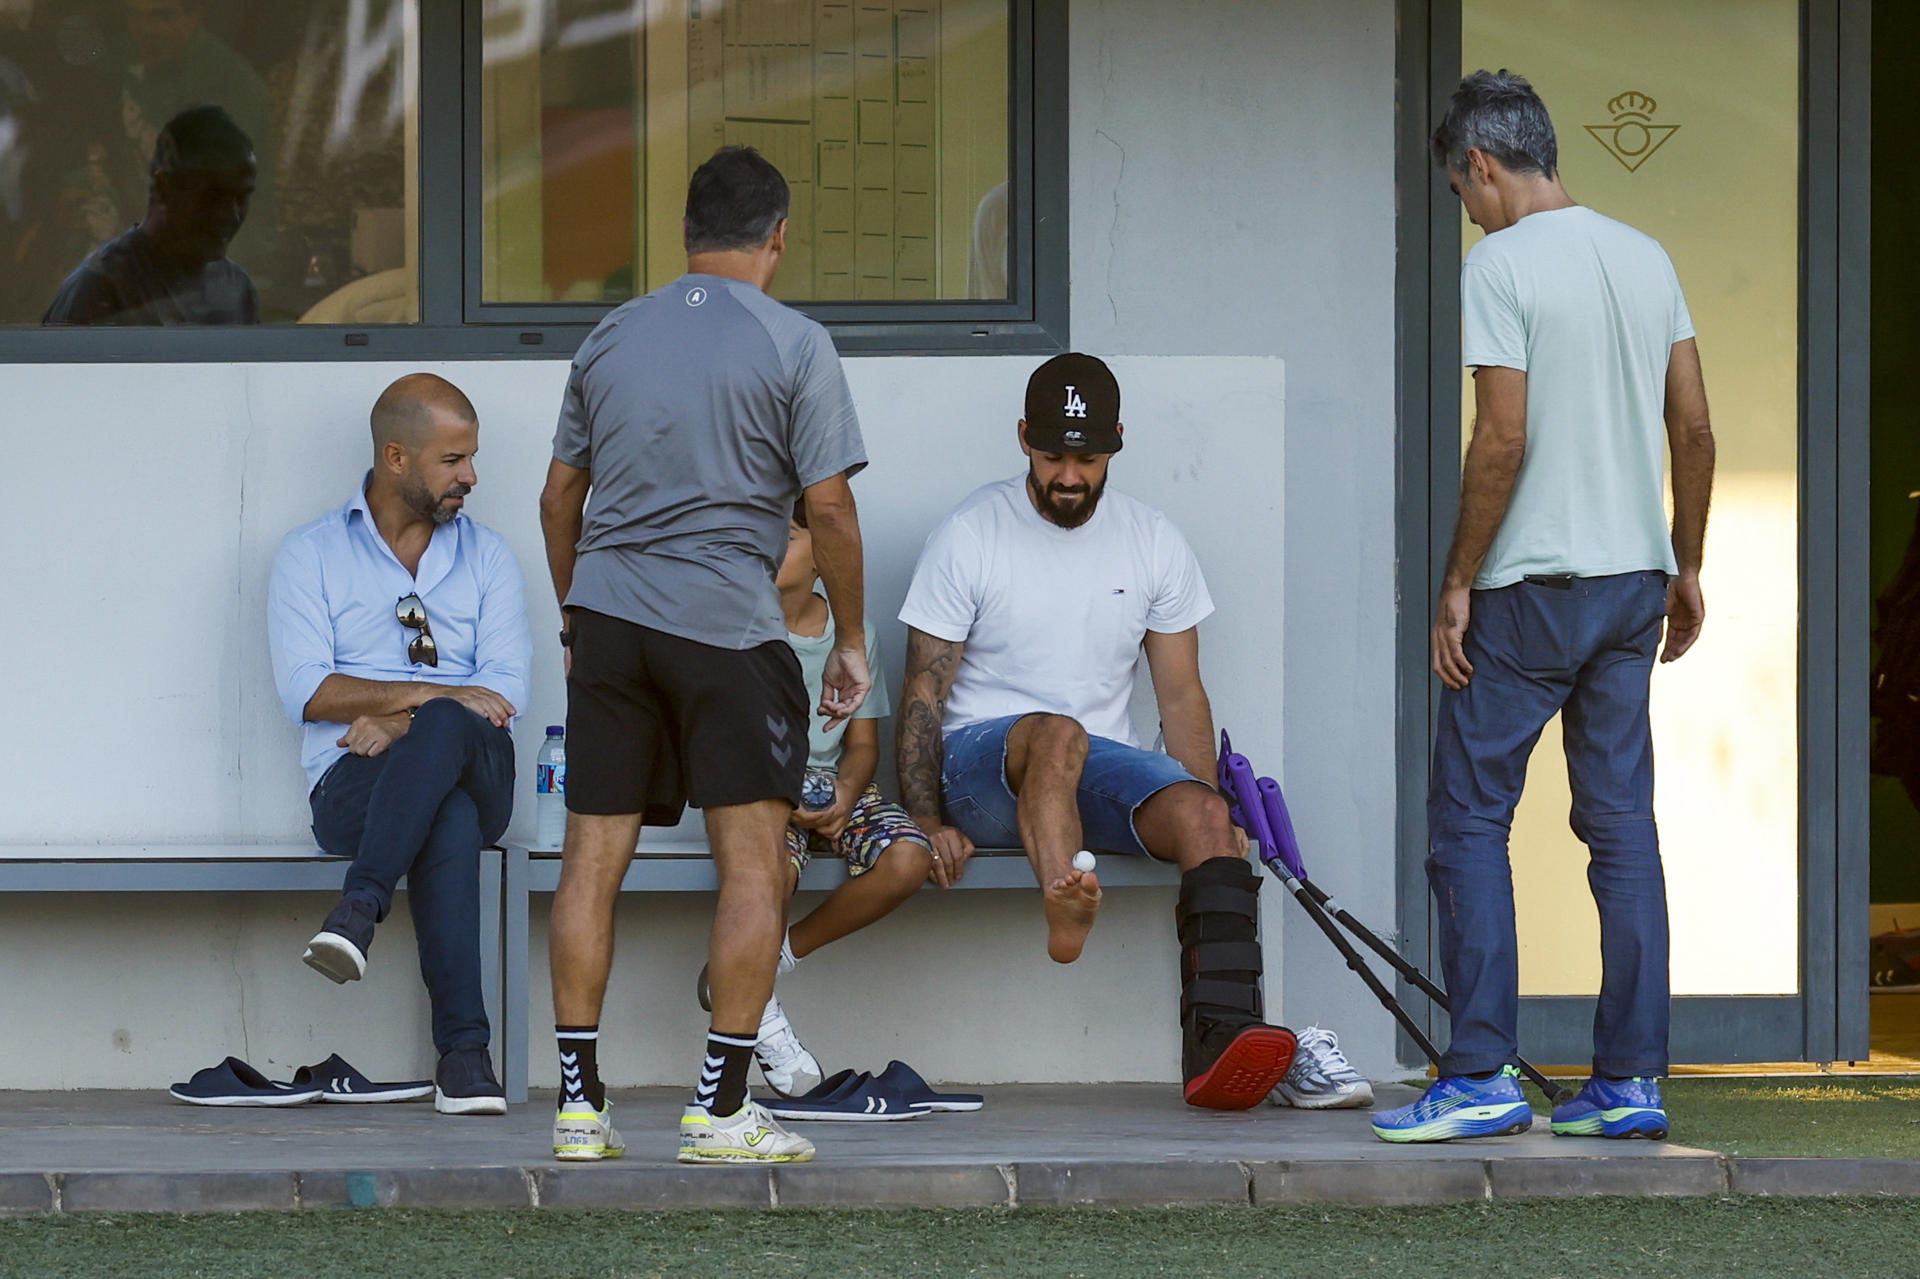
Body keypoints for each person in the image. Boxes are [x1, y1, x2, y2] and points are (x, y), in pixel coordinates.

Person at [1372, 71, 1715, 1144]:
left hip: (1532, 593)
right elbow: (1695, 431)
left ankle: (1477, 1072)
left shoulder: (1501, 263)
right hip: (1630, 587)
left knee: (1469, 819)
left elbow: (1502, 439)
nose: (1465, 208)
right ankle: (1630, 1083)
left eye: (1460, 188)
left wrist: (1457, 581)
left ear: (1481, 164)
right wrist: (1686, 566)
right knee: (1620, 832)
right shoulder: (1645, 254)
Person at [539, 145, 871, 1165]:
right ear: (778, 239)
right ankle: (721, 1107)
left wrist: (575, 612)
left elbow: (560, 498)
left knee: (593, 857)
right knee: (754, 860)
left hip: (609, 620)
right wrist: (851, 637)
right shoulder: (794, 340)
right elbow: (827, 505)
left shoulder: (608, 334)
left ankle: (580, 1110)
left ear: (683, 238)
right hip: (727, 628)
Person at [893, 352, 1303, 1111]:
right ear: (1023, 439)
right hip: (983, 768)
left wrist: (1207, 818)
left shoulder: (1153, 541)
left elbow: (1181, 699)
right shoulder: (971, 532)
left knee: (1208, 816)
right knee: (1057, 732)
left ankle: (1222, 1041)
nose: (1070, 475)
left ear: (1116, 442)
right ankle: (1064, 900)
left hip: (1088, 770)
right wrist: (923, 820)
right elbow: (923, 691)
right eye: (1053, 456)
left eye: (1087, 457)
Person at [267, 373, 532, 1117]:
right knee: (441, 807)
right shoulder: (310, 554)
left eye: (471, 458)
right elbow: (308, 693)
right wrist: (424, 695)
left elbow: (503, 691)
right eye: (453, 460)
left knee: (452, 734)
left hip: (482, 772)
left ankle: (358, 909)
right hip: (352, 784)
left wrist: (409, 720)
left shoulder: (488, 557)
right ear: (395, 457)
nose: (470, 477)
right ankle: (465, 1058)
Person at [692, 505, 940, 1096]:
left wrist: (845, 794)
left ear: (823, 558)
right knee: (766, 873)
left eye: (791, 532)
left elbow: (861, 745)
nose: (772, 542)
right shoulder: (735, 630)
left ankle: (769, 962)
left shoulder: (856, 638)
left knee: (908, 856)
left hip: (835, 789)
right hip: (755, 792)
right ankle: (763, 1019)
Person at [42, 103, 256, 324]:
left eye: (241, 198)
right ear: (165, 186)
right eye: (214, 197)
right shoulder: (98, 290)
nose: (231, 215)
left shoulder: (237, 289)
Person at [116, 0, 276, 275]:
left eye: (162, 16)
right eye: (135, 16)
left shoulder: (232, 83)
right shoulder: (121, 62)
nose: (146, 29)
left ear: (195, 16)